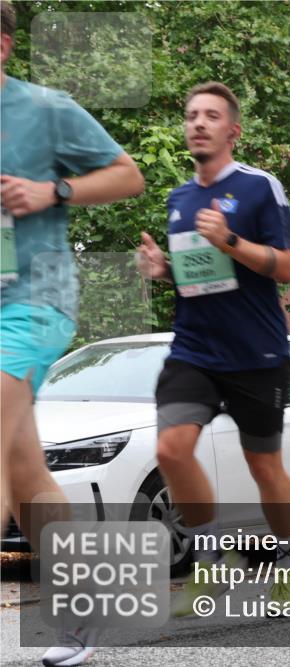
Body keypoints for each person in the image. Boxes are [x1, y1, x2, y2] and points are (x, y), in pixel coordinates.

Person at [0, 2, 145, 664]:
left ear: (3, 47)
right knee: (25, 471)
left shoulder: (46, 108)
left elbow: (128, 175)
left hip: (32, 300)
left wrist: (51, 191)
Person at [136, 82, 290, 614]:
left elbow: (289, 266)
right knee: (170, 450)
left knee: (264, 467)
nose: (199, 123)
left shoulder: (259, 187)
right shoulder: (179, 198)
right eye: (191, 115)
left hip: (256, 352)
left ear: (232, 130)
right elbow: (197, 276)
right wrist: (165, 271)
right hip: (193, 350)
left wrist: (230, 240)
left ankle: (287, 560)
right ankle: (209, 557)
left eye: (211, 116)